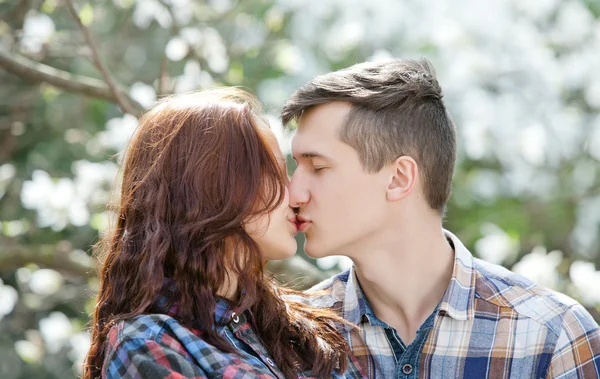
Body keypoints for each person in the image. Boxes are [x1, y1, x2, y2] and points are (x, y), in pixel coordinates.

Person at [281, 58, 600, 378]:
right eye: (297, 166)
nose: (294, 194)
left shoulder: (551, 337)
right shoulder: (293, 337)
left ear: (398, 178)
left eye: (318, 167)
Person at [83, 88, 363, 379]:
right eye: (277, 174)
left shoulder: (297, 329)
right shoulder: (149, 344)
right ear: (214, 187)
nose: (294, 195)